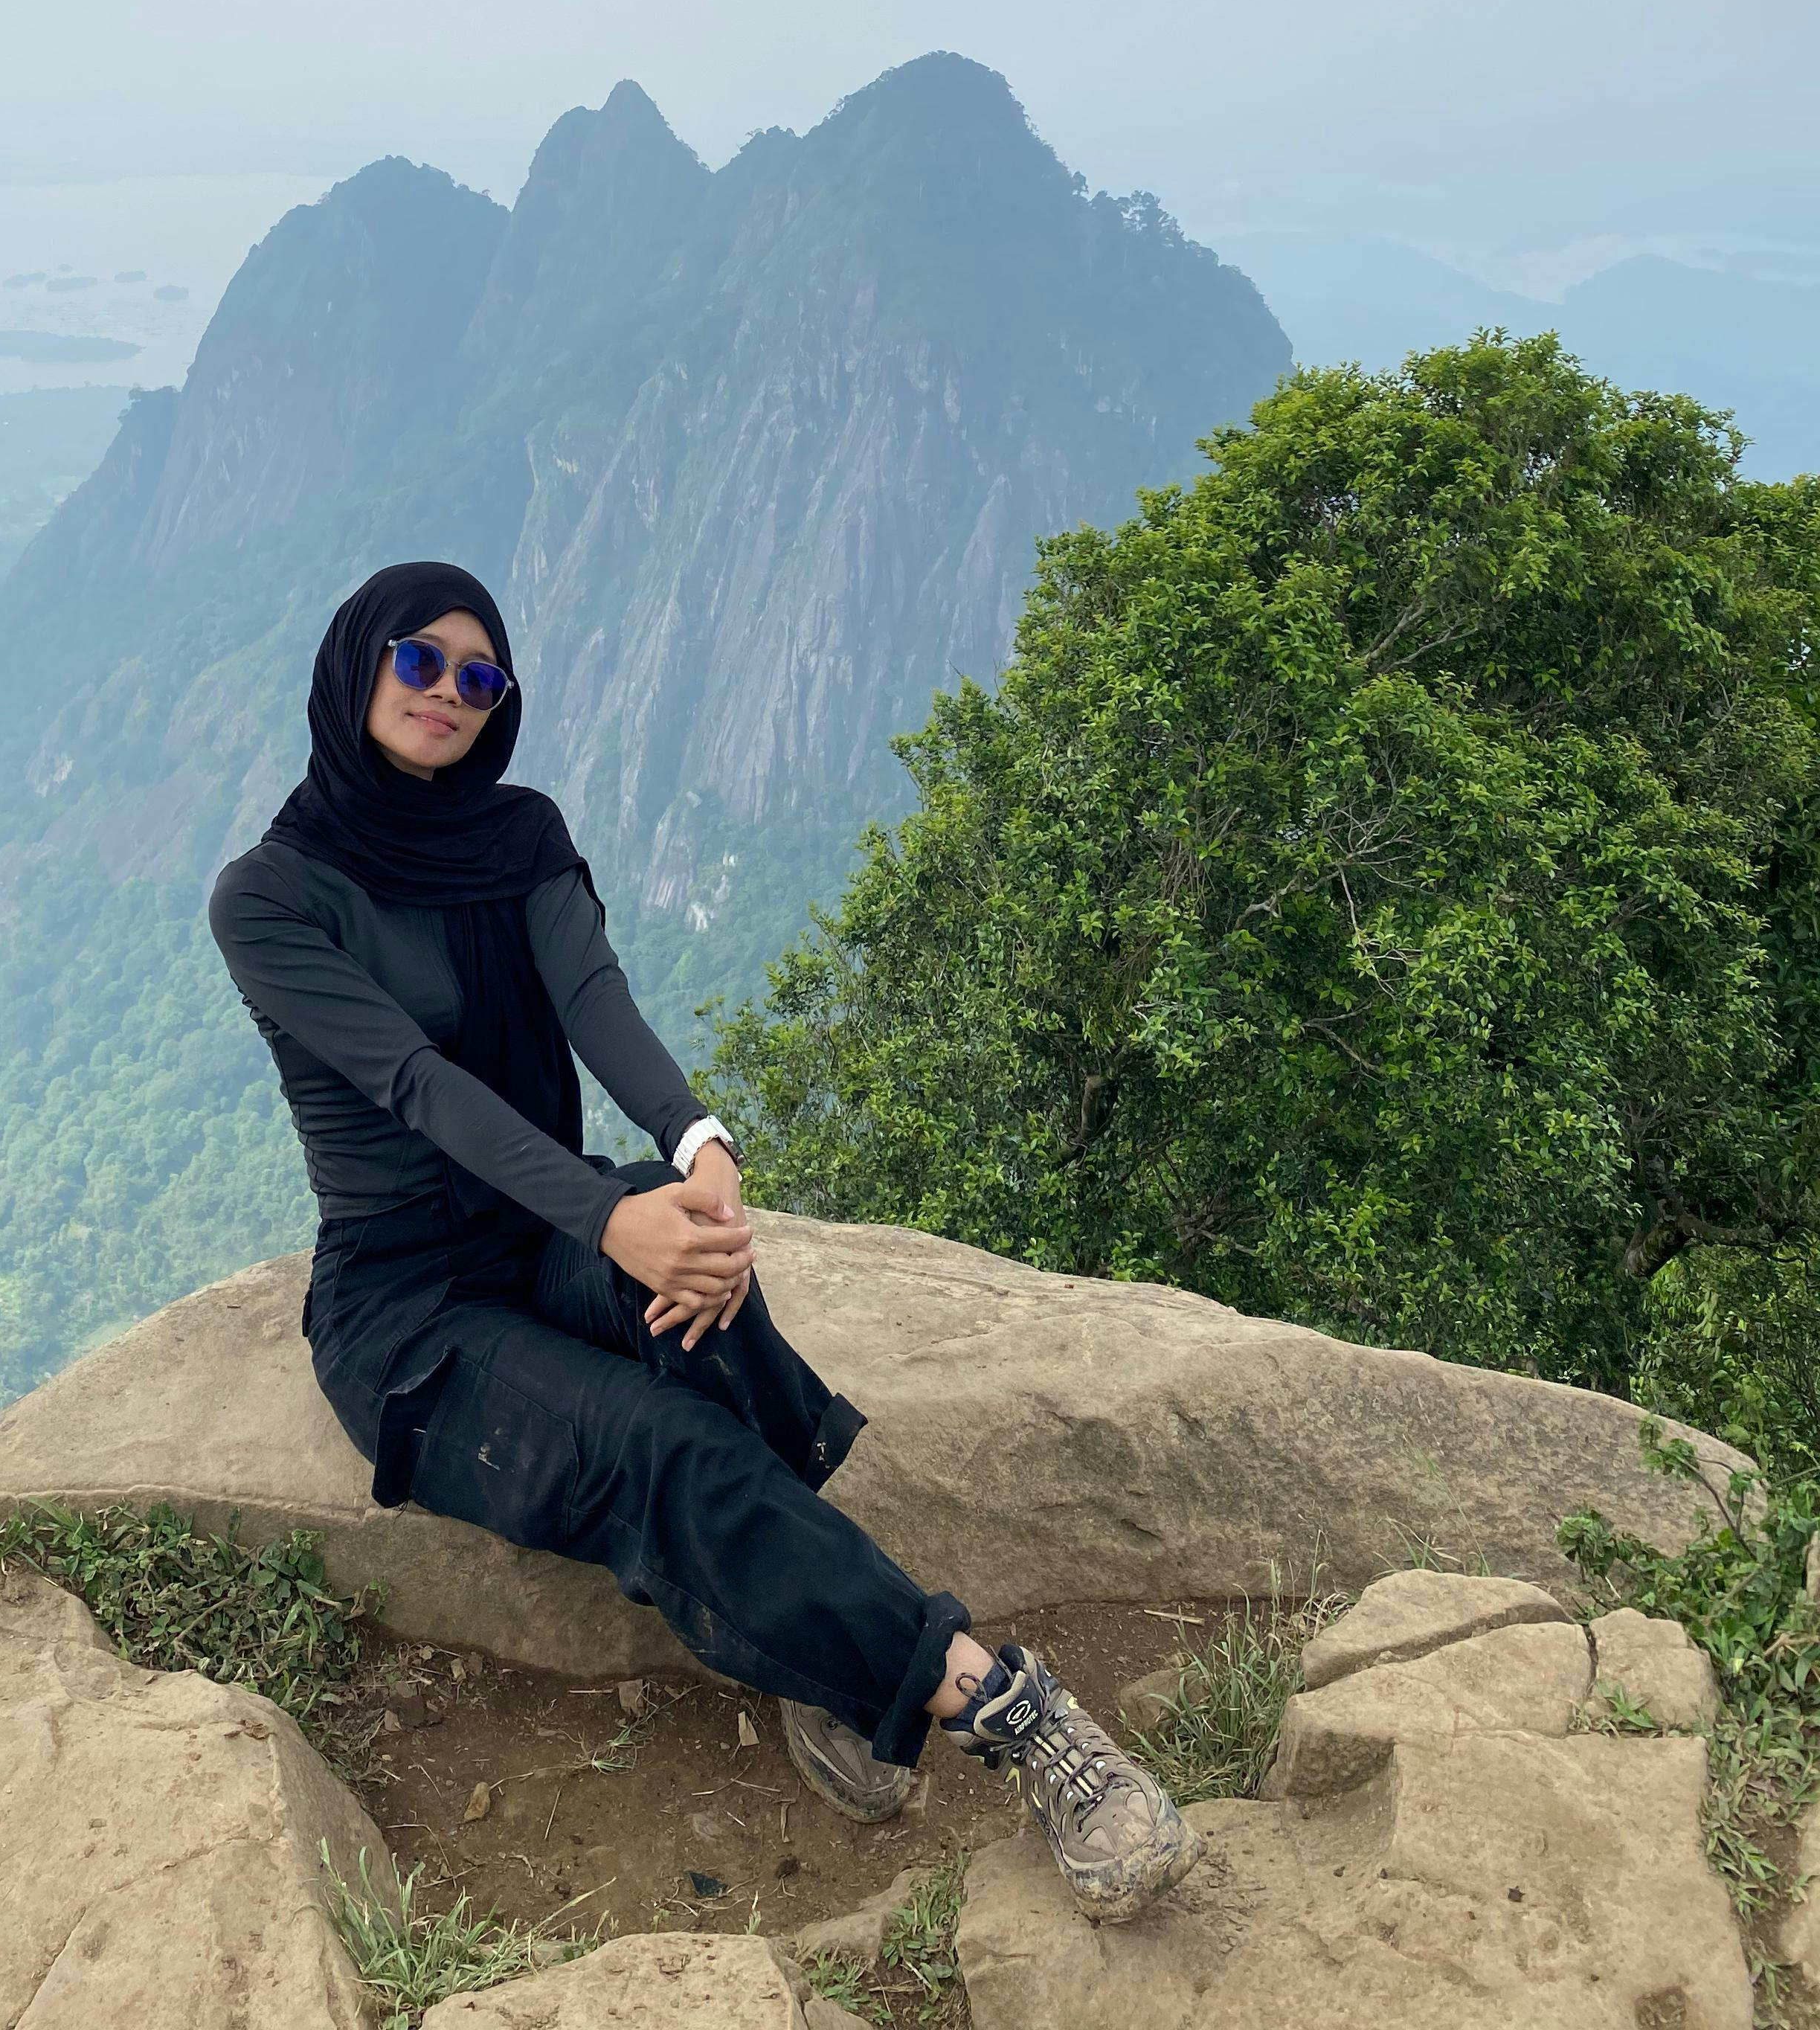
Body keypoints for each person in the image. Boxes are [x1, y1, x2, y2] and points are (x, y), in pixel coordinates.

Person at [208, 562, 1195, 1921]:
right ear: (356, 666)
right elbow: (416, 1091)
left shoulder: (520, 834)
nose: (448, 692)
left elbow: (595, 1003)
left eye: (478, 676)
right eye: (418, 662)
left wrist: (694, 1150)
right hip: (413, 1304)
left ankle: (812, 1643)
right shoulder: (269, 897)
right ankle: (1010, 1710)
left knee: (717, 1294)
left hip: (545, 1221)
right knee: (658, 1441)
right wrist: (610, 1218)